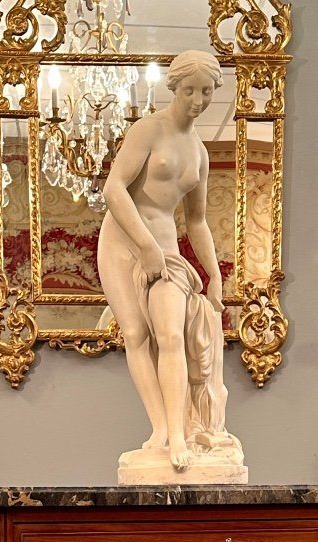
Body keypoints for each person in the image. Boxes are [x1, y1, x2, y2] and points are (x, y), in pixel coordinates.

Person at [98, 50, 243, 475]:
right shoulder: (149, 129)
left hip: (165, 250)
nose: (198, 100)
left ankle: (179, 435)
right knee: (135, 334)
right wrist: (144, 246)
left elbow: (196, 221)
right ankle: (160, 429)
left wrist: (214, 276)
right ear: (175, 88)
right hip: (122, 241)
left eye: (206, 92)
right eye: (190, 90)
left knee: (171, 334)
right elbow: (114, 189)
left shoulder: (199, 153)